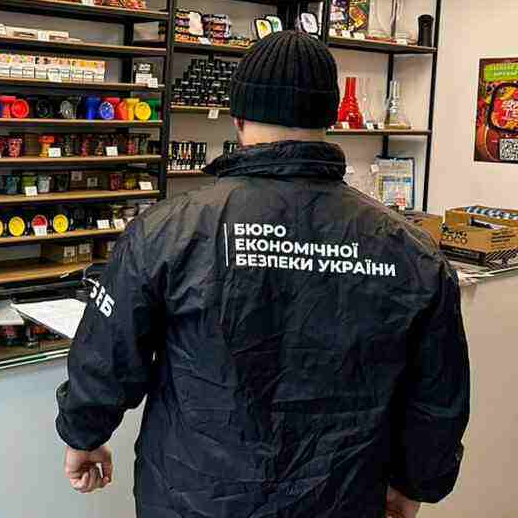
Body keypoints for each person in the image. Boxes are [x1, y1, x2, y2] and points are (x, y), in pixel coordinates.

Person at [55, 31, 470, 518]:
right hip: (341, 498)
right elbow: (437, 397)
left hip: (194, 499)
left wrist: (84, 436)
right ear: (329, 118)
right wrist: (413, 484)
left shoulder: (169, 231)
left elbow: (108, 354)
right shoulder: (409, 251)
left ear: (238, 119)